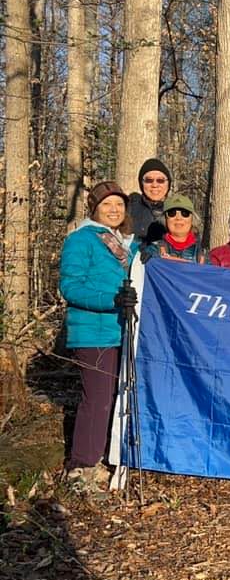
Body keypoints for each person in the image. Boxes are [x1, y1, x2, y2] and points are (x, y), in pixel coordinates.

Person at [59, 181, 139, 488]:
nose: (114, 209)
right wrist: (112, 300)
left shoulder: (124, 243)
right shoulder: (81, 240)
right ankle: (81, 466)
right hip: (93, 334)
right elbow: (71, 286)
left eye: (119, 204)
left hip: (120, 332)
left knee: (113, 399)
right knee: (98, 400)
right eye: (107, 204)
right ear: (94, 208)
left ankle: (101, 457)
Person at [143, 193, 209, 263]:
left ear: (192, 219)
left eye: (185, 213)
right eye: (172, 213)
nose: (178, 218)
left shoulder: (203, 256)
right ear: (165, 219)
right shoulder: (153, 250)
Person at [127, 158, 172, 243]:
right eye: (149, 180)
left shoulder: (176, 211)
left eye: (160, 180)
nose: (154, 185)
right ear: (141, 183)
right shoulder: (129, 206)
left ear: (168, 184)